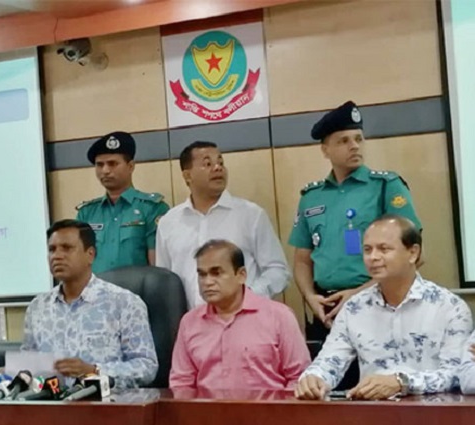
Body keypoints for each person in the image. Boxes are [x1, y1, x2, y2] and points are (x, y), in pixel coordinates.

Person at [289, 101, 423, 389]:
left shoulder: (385, 186)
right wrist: (311, 298)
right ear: (325, 149)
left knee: (382, 389)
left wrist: (358, 293)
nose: (354, 146)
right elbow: (302, 258)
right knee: (331, 392)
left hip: (378, 302)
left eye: (359, 139)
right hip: (326, 309)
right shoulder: (311, 196)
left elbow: (414, 253)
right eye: (344, 141)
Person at [295, 215, 472, 400]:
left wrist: (402, 382)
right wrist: (313, 378)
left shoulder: (450, 308)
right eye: (367, 250)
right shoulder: (354, 308)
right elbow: (329, 361)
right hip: (373, 411)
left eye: (384, 249)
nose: (373, 257)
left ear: (413, 253)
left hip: (433, 411)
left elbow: (457, 374)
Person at [21, 220, 158, 389]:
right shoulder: (37, 307)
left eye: (67, 248)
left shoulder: (124, 303)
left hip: (107, 402)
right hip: (51, 401)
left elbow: (146, 367)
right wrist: (11, 372)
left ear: (90, 255)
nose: (57, 256)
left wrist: (95, 371)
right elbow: (28, 365)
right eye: (52, 249)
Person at [156, 141, 289, 308]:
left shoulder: (250, 214)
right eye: (207, 164)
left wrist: (248, 297)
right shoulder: (169, 222)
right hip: (191, 320)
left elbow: (277, 270)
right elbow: (164, 281)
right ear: (187, 176)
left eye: (221, 162)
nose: (217, 168)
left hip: (244, 316)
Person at [170, 239, 309, 391]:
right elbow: (181, 383)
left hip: (269, 406)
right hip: (208, 406)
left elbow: (299, 378)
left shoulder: (279, 317)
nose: (207, 282)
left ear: (241, 275)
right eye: (202, 275)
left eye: (216, 273)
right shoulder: (190, 322)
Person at [76, 131, 170, 274]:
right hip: (96, 288)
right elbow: (78, 264)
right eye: (99, 165)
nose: (105, 170)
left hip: (137, 288)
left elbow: (159, 268)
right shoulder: (87, 213)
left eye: (112, 164)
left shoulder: (152, 208)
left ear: (131, 166)